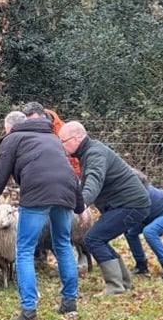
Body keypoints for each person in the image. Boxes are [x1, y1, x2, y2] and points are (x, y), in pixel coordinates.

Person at [0, 111, 85, 320]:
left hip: (37, 194)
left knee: (24, 249)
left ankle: (28, 310)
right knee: (62, 243)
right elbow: (69, 173)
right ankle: (69, 302)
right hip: (65, 192)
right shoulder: (52, 138)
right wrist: (80, 207)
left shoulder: (12, 139)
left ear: (8, 128)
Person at [59, 121, 151, 295]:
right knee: (97, 238)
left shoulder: (94, 154)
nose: (62, 145)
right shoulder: (89, 152)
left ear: (77, 138)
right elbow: (86, 182)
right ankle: (124, 282)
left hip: (131, 205)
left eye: (63, 141)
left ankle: (115, 286)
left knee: (93, 238)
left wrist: (82, 204)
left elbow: (94, 179)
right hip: (124, 205)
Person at [21, 101, 81, 177]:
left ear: (43, 116)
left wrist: (73, 178)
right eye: (29, 122)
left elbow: (74, 160)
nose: (33, 125)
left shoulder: (63, 131)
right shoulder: (24, 130)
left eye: (35, 122)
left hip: (63, 175)